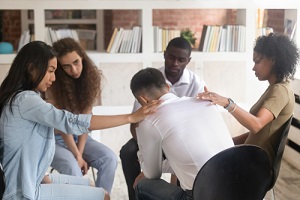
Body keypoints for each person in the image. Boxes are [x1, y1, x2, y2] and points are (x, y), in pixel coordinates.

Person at [0, 41, 161, 200]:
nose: (54, 78)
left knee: (93, 185)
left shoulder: (23, 97)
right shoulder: (26, 100)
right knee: (102, 195)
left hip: (34, 180)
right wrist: (131, 117)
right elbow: (71, 122)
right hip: (24, 192)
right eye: (50, 70)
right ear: (31, 68)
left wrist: (45, 176)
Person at [119, 37, 206, 200]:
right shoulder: (150, 80)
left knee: (175, 158)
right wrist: (147, 146)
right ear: (164, 55)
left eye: (181, 60)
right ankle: (135, 196)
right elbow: (135, 123)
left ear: (188, 61)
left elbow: (197, 120)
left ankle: (174, 191)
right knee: (127, 151)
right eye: (172, 57)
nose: (175, 63)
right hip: (152, 135)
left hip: (183, 137)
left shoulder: (196, 83)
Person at [129, 67, 234, 200]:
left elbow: (152, 175)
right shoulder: (205, 103)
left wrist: (143, 160)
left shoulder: (150, 121)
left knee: (142, 184)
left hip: (201, 196)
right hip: (238, 186)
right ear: (168, 87)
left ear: (142, 100)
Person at [198, 33, 299, 163]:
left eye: (257, 61)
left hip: (256, 166)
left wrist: (228, 104)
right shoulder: (276, 88)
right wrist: (227, 143)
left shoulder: (280, 91)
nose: (253, 68)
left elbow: (256, 125)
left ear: (273, 59)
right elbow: (258, 134)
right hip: (251, 159)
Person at [46, 37, 117, 193]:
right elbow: (62, 124)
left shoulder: (92, 79)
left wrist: (80, 151)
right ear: (59, 67)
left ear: (82, 57)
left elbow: (86, 121)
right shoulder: (52, 84)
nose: (74, 70)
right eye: (67, 66)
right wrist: (78, 156)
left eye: (76, 62)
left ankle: (100, 197)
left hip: (80, 136)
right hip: (53, 139)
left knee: (110, 159)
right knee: (73, 167)